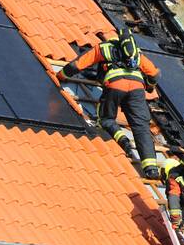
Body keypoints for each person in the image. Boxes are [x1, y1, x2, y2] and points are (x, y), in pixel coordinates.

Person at [57, 27, 161, 177]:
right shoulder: (136, 54)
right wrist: (150, 87)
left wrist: (60, 76)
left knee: (106, 119)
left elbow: (78, 64)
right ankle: (151, 168)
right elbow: (154, 74)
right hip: (137, 90)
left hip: (115, 85)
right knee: (141, 127)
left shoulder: (104, 48)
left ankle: (122, 139)